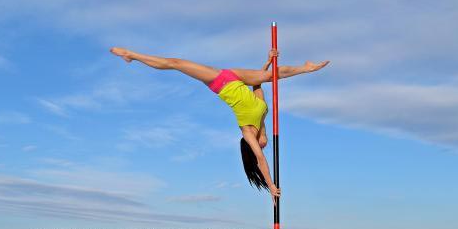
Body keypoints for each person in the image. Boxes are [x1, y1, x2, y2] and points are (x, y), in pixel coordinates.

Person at [110, 47, 329, 198]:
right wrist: (269, 60)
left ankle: (131, 55)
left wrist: (271, 186)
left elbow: (261, 161)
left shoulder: (247, 133)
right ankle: (307, 67)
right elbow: (259, 83)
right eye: (264, 145)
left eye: (261, 147)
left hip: (222, 82)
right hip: (238, 77)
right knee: (273, 75)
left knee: (175, 63)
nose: (265, 145)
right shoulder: (262, 116)